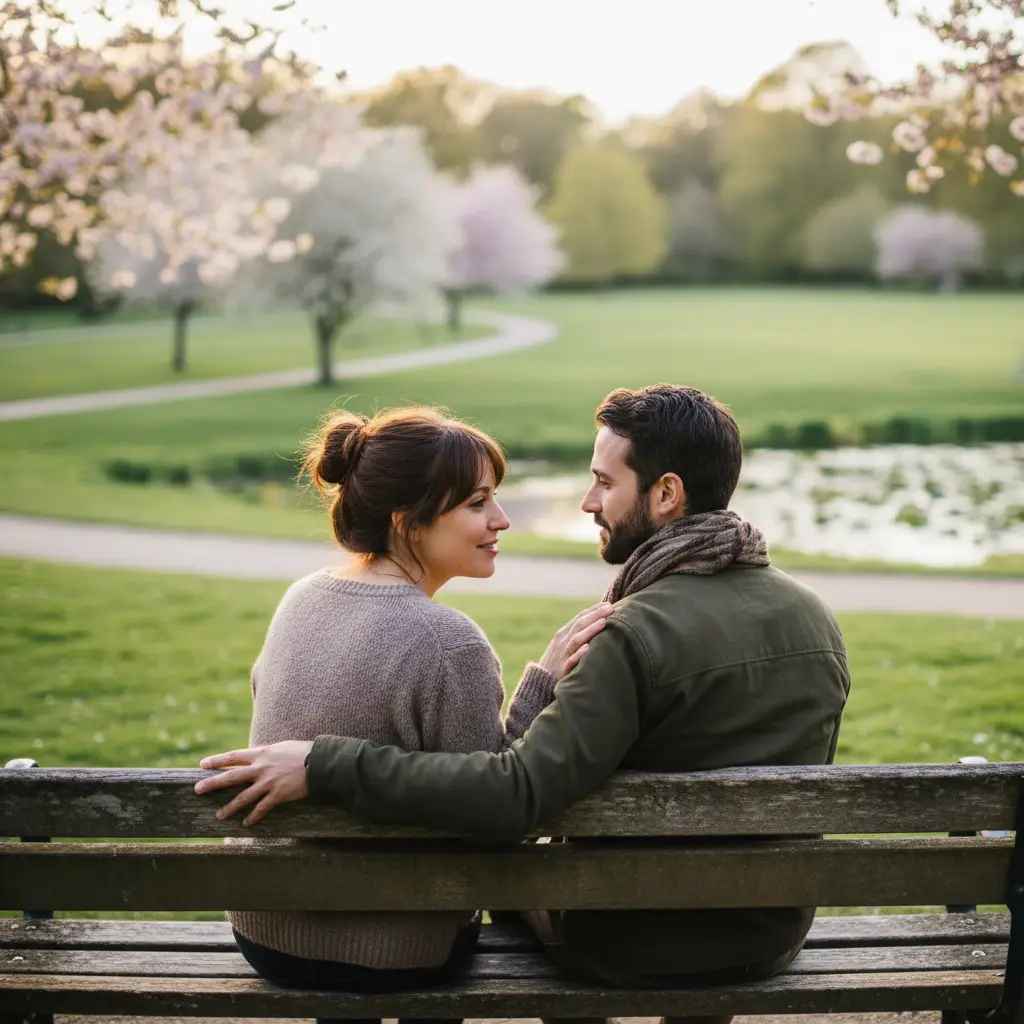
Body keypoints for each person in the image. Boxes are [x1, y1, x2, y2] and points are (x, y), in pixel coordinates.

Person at [197, 384, 851, 1021]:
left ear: (666, 494)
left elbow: (513, 798)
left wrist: (325, 764)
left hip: (624, 943)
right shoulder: (817, 618)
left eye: (604, 483)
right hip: (769, 938)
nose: (588, 502)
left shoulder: (626, 633)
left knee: (522, 886)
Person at [215, 405, 611, 1024]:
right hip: (396, 948)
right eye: (477, 503)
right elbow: (495, 815)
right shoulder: (449, 643)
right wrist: (543, 684)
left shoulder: (301, 598)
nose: (501, 519)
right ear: (408, 522)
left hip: (266, 934)